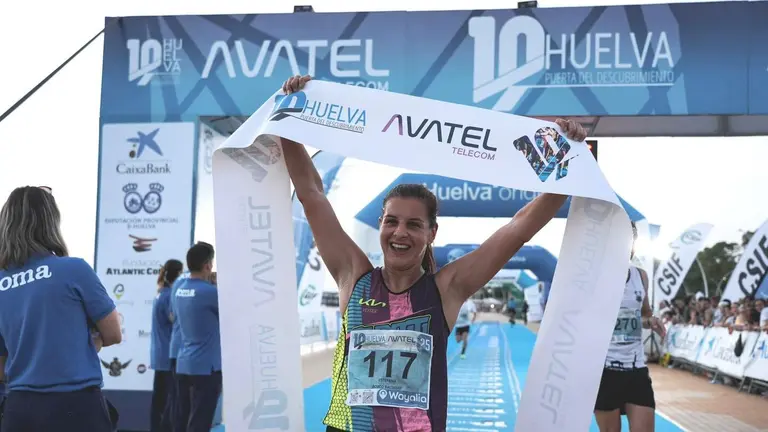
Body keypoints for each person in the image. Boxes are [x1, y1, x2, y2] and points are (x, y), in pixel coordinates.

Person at [280, 75, 587, 431]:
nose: (400, 233)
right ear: (380, 225)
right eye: (391, 221)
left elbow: (518, 229)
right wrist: (287, 118)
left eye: (413, 225)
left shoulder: (446, 289)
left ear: (431, 233)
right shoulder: (354, 275)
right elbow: (311, 193)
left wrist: (567, 156)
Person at [0, 186, 122, 431]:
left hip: (19, 409)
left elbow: (2, 367)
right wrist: (84, 345)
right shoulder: (73, 270)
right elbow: (113, 334)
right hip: (75, 406)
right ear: (50, 223)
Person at [594, 221, 666, 432]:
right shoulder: (595, 277)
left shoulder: (640, 276)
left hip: (636, 369)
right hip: (604, 370)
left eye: (632, 237)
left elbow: (643, 313)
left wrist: (651, 321)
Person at [173, 242, 221, 432]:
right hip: (206, 368)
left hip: (184, 364)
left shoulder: (178, 289)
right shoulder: (210, 293)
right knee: (200, 422)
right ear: (208, 265)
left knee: (181, 420)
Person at [150, 259, 184, 432]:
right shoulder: (169, 295)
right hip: (167, 356)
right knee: (167, 402)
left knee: (159, 402)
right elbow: (174, 319)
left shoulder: (161, 293)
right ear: (177, 274)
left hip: (160, 355)